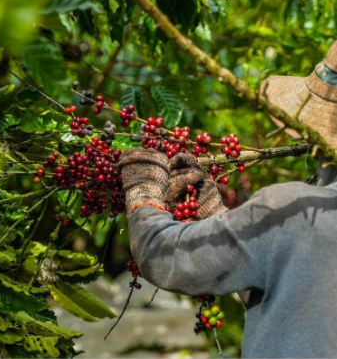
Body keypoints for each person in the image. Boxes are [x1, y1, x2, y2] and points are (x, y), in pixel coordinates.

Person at [118, 41, 337, 358]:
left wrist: (144, 189)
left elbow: (161, 255)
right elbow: (298, 299)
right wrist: (215, 213)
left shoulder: (293, 210)